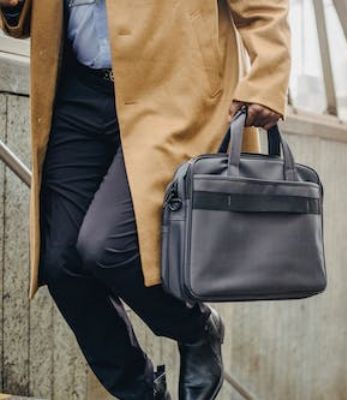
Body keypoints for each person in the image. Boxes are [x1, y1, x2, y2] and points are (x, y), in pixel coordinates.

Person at [0, 0, 291, 399]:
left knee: (107, 247)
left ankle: (196, 328)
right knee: (61, 262)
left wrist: (267, 78)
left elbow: (264, 7)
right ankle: (142, 392)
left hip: (169, 91)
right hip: (77, 89)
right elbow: (28, 20)